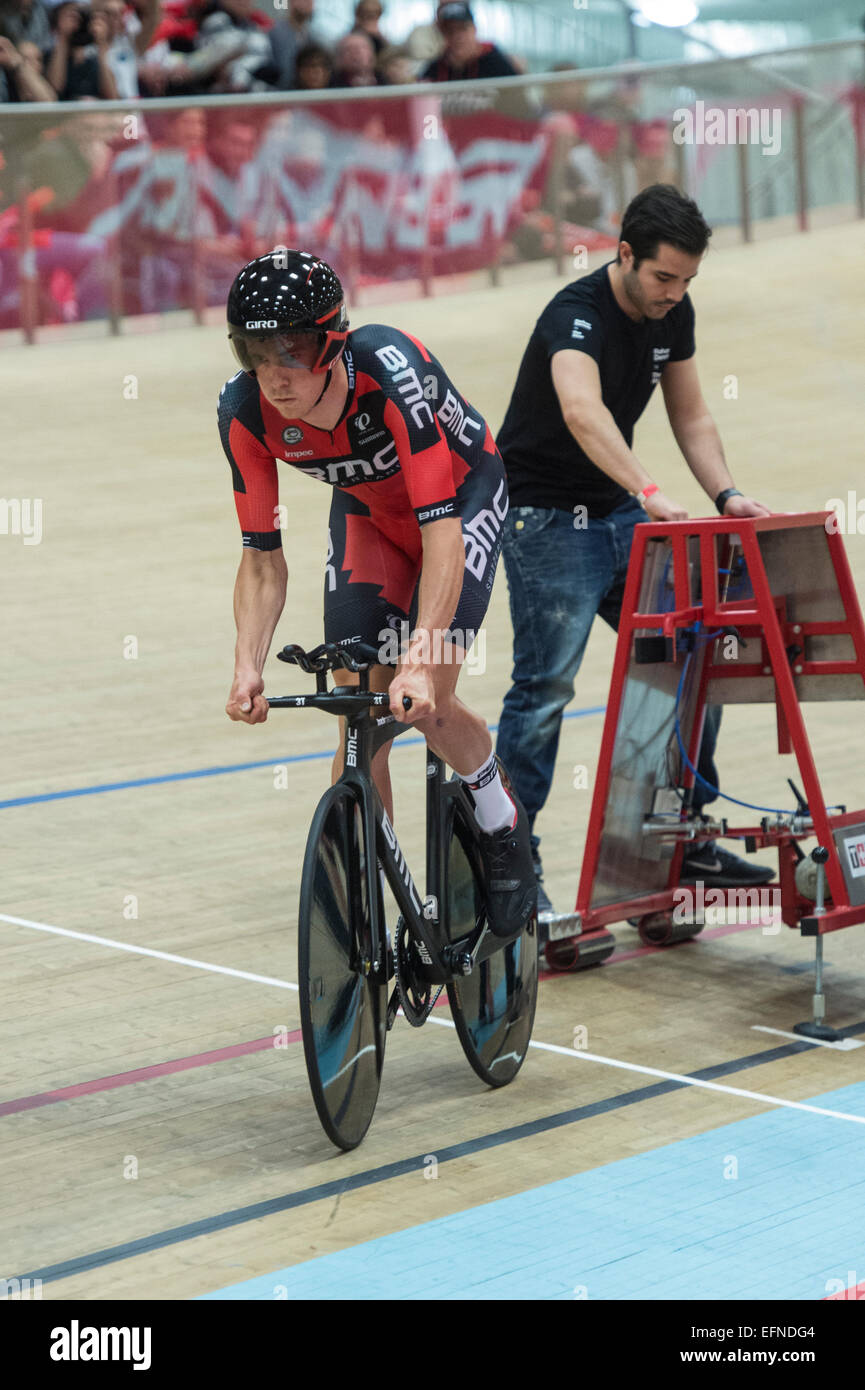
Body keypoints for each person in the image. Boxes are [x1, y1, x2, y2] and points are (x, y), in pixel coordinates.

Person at [219, 249, 536, 939]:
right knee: (360, 711)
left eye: (291, 351)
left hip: (460, 499)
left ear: (332, 341)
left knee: (427, 703)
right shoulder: (244, 410)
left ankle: (500, 817)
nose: (274, 374)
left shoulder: (392, 374)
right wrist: (248, 663)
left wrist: (421, 658)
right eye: (254, 352)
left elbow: (443, 534)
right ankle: (372, 888)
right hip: (368, 515)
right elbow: (262, 559)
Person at [494, 184, 775, 918]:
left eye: (685, 281)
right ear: (623, 255)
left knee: (688, 658)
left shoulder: (671, 312)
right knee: (545, 688)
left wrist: (726, 496)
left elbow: (691, 413)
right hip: (543, 517)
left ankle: (671, 841)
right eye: (661, 278)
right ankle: (509, 865)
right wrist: (647, 488)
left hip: (617, 510)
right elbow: (581, 411)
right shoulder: (573, 314)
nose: (673, 294)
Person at [420, 2, 517, 83]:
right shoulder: (438, 65)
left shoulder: (493, 60)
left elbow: (518, 96)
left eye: (463, 29)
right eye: (449, 31)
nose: (456, 36)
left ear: (474, 30)